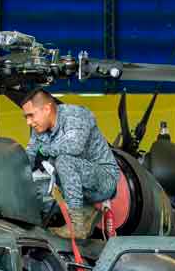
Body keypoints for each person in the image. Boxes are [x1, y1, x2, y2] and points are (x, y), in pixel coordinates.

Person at [21, 89, 121, 238]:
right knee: (33, 192)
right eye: (26, 117)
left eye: (31, 115)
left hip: (102, 180)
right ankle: (86, 211)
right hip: (71, 186)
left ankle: (77, 226)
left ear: (47, 109)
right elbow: (29, 156)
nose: (29, 122)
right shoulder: (39, 129)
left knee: (63, 161)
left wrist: (45, 151)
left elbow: (74, 146)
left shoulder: (75, 116)